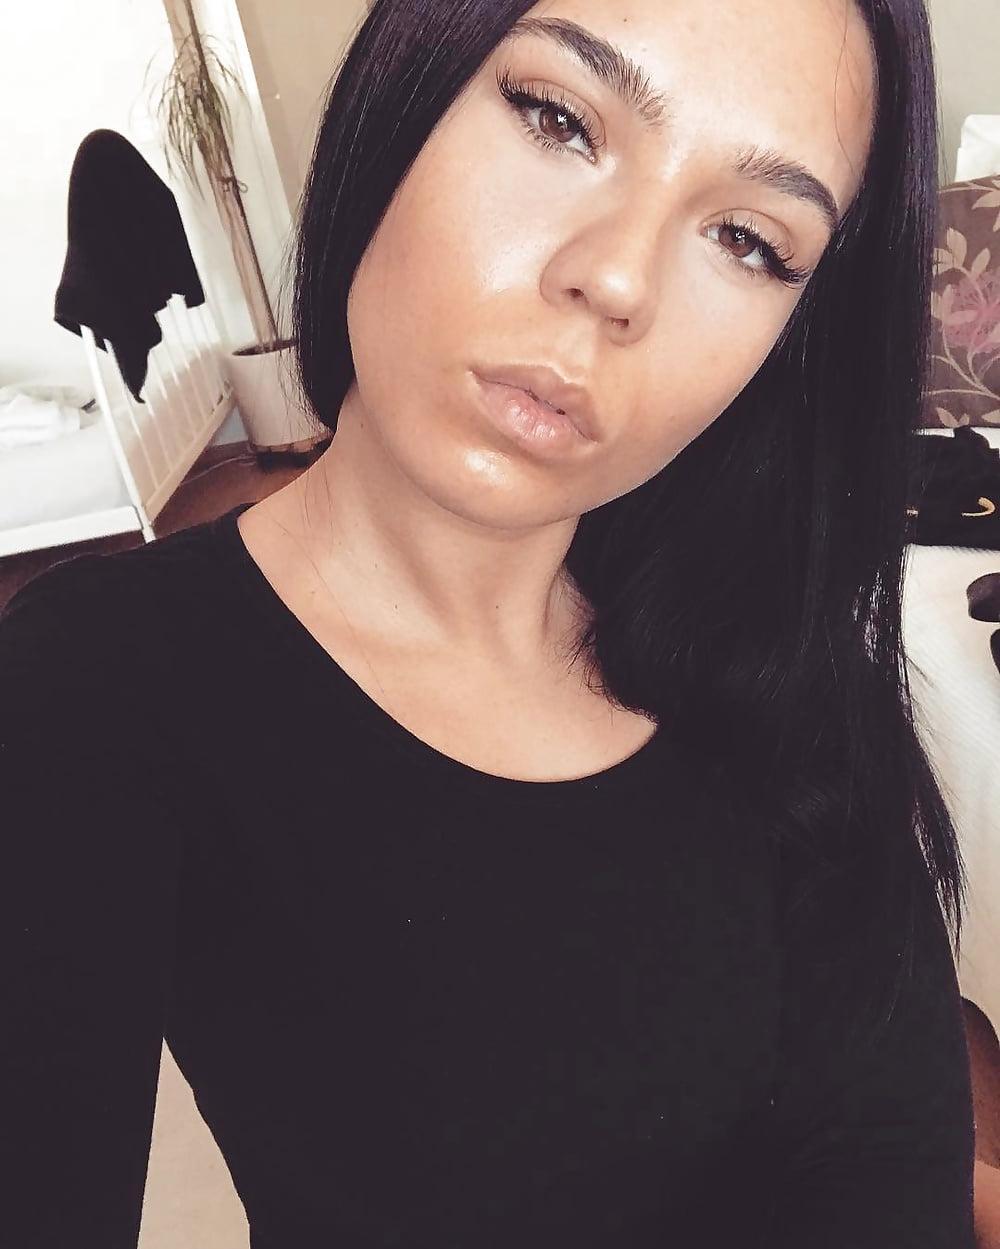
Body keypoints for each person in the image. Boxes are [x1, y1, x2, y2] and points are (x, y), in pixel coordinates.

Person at [0, 0, 982, 1245]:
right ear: (403, 89)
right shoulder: (94, 684)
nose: (615, 279)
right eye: (558, 119)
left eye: (746, 238)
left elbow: (892, 1161)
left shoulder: (780, 660)